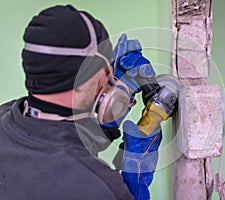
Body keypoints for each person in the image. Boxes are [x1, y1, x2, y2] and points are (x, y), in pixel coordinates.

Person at [0, 5, 135, 200]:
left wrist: (104, 129)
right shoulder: (101, 189)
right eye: (105, 70)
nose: (110, 79)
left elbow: (53, 148)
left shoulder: (7, 115)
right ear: (83, 80)